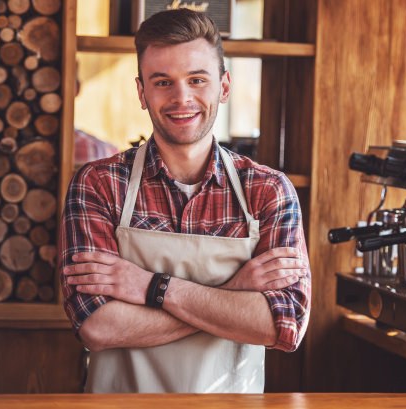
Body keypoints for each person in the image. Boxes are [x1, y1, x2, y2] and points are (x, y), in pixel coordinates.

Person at [59, 8, 311, 394]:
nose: (182, 98)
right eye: (163, 82)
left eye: (197, 79)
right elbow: (98, 327)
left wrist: (150, 288)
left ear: (224, 86)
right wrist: (234, 291)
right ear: (142, 92)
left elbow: (282, 326)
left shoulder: (269, 191)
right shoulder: (97, 185)